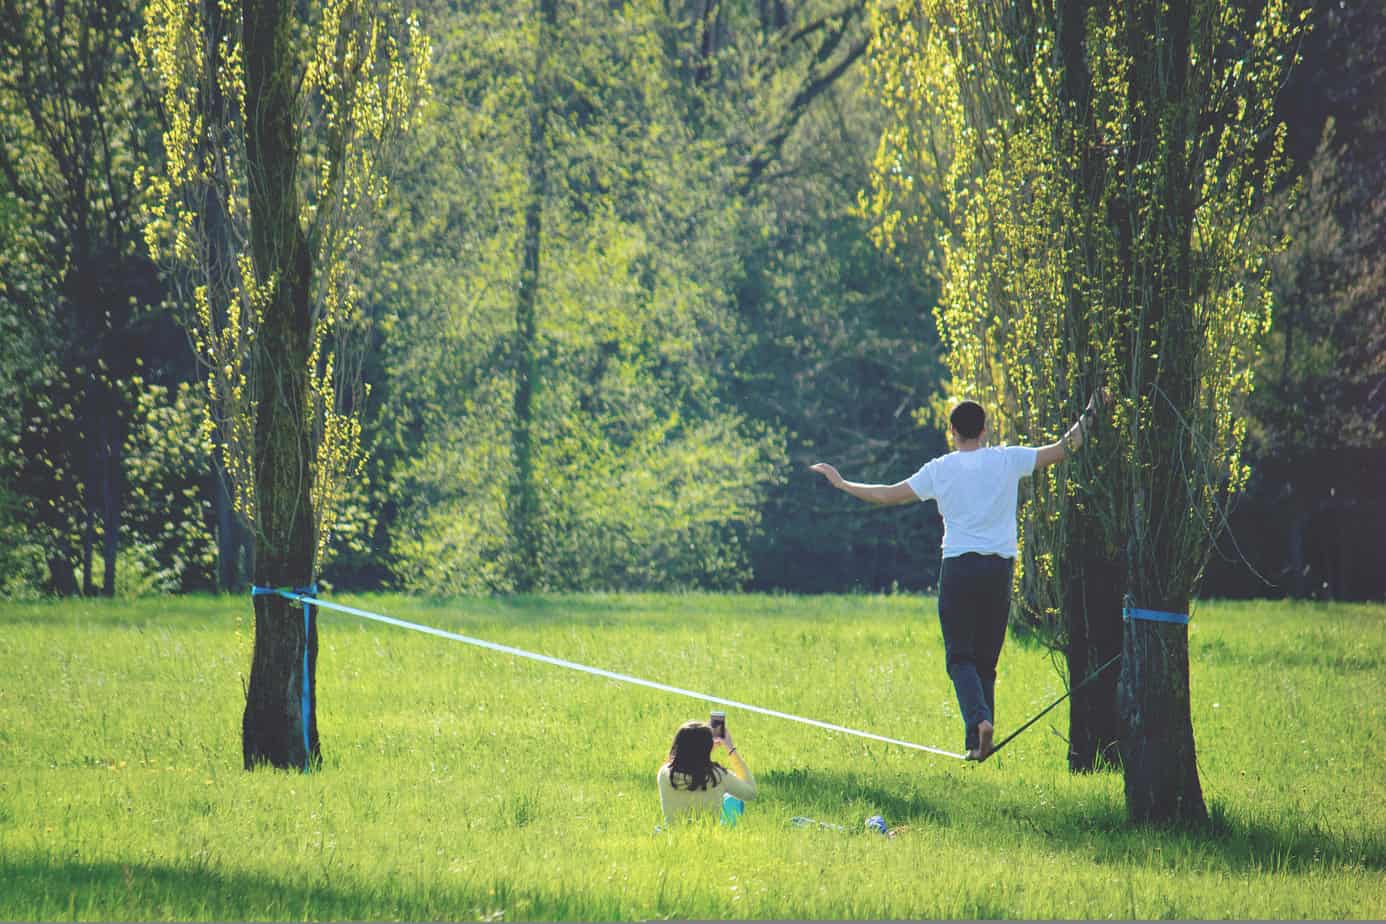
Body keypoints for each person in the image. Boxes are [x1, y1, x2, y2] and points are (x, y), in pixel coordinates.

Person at [809, 394, 1103, 760]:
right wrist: (1093, 411)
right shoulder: (1007, 459)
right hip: (998, 569)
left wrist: (842, 483)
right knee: (985, 662)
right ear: (984, 430)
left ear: (952, 432)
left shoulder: (940, 469)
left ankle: (978, 724)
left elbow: (887, 496)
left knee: (959, 658)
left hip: (959, 568)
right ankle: (979, 744)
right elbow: (1065, 447)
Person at [657, 720, 757, 824]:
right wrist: (730, 749)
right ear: (707, 747)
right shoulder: (718, 775)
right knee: (732, 799)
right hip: (712, 834)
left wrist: (704, 746)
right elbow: (751, 793)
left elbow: (685, 761)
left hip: (673, 835)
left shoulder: (664, 773)